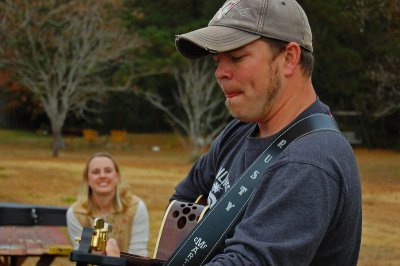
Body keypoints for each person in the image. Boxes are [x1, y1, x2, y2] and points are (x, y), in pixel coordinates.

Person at [106, 0, 362, 264]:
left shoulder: (309, 160)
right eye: (217, 60)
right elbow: (183, 201)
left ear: (289, 58)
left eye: (236, 57)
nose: (219, 73)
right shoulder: (239, 132)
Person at [66, 152, 149, 257]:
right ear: (87, 178)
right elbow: (81, 256)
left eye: (108, 171)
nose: (102, 176)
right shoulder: (76, 213)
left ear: (117, 176)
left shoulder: (136, 207)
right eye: (96, 172)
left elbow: (138, 254)